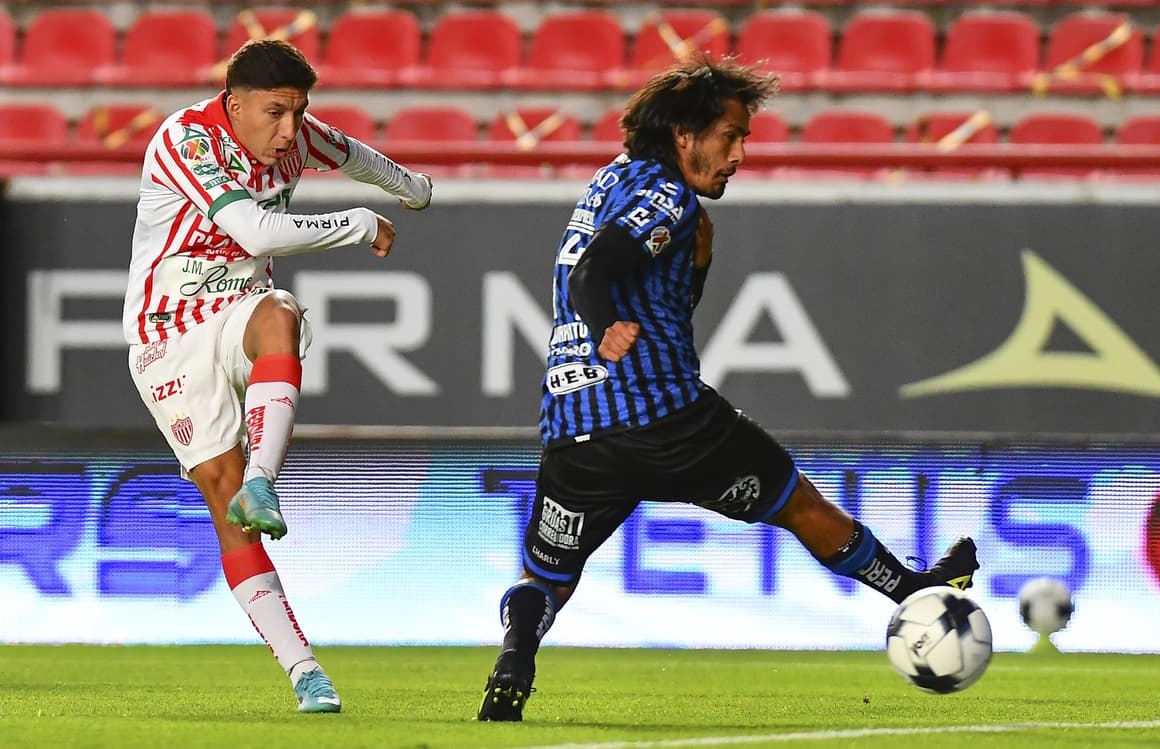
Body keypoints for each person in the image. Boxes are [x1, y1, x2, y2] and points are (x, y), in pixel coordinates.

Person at [477, 56, 979, 722]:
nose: (740, 153)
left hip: (574, 429)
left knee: (545, 576)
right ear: (683, 134)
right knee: (797, 500)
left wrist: (695, 263)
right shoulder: (666, 195)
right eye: (730, 136)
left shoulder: (608, 182)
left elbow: (661, 300)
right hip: (665, 418)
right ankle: (913, 591)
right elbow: (595, 272)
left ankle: (515, 659)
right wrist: (608, 326)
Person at [122, 39, 432, 714]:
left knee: (279, 314)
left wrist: (412, 189)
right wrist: (356, 221)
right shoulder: (188, 139)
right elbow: (255, 232)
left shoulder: (293, 135)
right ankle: (304, 671)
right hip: (167, 334)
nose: (289, 130)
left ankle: (265, 477)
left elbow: (352, 152)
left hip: (237, 309)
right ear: (233, 103)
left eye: (298, 111)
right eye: (274, 113)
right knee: (223, 500)